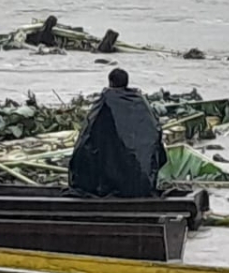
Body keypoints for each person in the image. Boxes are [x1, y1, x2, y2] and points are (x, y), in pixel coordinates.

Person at [68, 67, 168, 198]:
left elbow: (88, 135)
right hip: (142, 181)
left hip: (115, 178)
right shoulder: (140, 102)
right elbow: (154, 132)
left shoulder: (106, 102)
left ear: (110, 82)